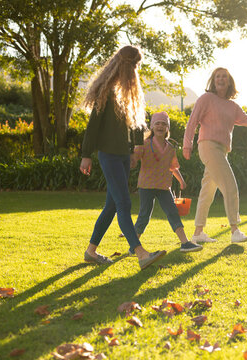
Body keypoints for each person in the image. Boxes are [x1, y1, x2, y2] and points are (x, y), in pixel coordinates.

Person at [79, 45, 166, 270]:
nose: (136, 70)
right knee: (124, 202)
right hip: (108, 155)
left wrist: (137, 148)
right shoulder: (106, 91)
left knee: (111, 205)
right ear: (126, 65)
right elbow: (93, 126)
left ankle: (91, 251)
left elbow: (136, 122)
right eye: (135, 66)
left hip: (123, 156)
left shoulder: (130, 91)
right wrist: (85, 155)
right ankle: (141, 253)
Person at [183, 67, 247, 244]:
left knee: (207, 191)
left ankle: (198, 232)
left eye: (224, 76)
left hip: (222, 150)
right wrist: (187, 145)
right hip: (208, 146)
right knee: (230, 185)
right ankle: (234, 230)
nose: (221, 79)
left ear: (229, 81)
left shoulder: (233, 106)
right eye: (217, 76)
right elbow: (192, 122)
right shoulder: (206, 99)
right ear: (213, 80)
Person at [130, 111, 202, 253]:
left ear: (167, 128)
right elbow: (134, 159)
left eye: (164, 124)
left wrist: (181, 180)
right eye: (157, 123)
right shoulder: (144, 144)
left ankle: (185, 243)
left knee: (172, 212)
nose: (160, 126)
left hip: (164, 186)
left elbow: (173, 167)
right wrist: (131, 158)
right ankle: (134, 246)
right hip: (147, 186)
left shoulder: (170, 148)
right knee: (144, 215)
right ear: (152, 126)